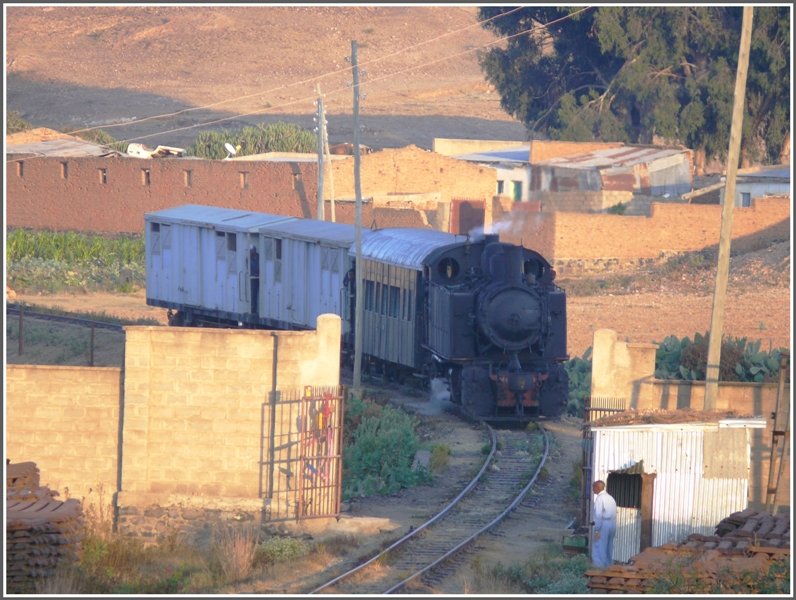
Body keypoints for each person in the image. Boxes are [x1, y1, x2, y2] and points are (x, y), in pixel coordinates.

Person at [591, 479, 617, 569]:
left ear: (598, 487)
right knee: (609, 547)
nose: (592, 489)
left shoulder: (599, 498)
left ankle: (599, 569)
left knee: (599, 547)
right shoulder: (610, 498)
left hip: (604, 524)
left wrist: (597, 530)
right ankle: (609, 567)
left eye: (593, 487)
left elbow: (598, 515)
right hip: (613, 524)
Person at [249, 245, 260, 315]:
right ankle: (253, 309)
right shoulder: (248, 258)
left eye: (253, 250)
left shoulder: (259, 257)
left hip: (259, 277)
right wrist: (253, 273)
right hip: (253, 278)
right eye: (251, 251)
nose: (252, 252)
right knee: (253, 294)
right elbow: (249, 268)